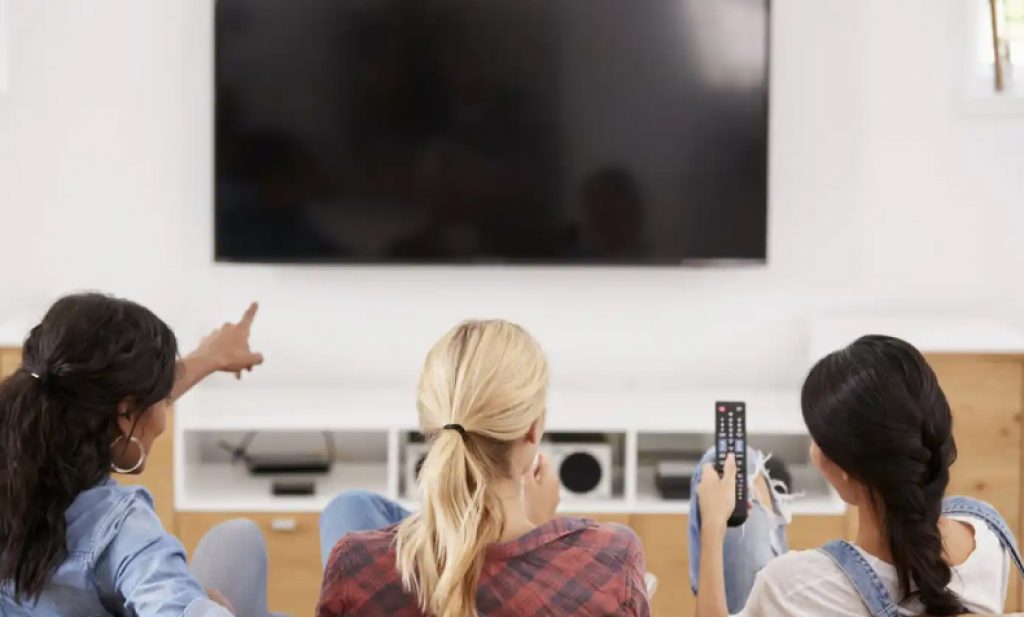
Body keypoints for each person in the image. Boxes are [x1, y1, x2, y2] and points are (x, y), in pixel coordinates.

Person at [317, 320, 650, 617]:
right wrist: (539, 530)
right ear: (534, 428)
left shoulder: (353, 563)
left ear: (429, 424)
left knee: (351, 506)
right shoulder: (610, 557)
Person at [691, 335, 1024, 616]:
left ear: (842, 470)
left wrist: (714, 525)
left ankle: (763, 516)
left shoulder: (791, 587)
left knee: (733, 470)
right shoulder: (988, 537)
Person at [0, 293, 269, 617]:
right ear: (125, 412)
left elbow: (108, 402)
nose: (165, 413)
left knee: (237, 534)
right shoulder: (120, 530)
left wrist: (209, 356)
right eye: (160, 396)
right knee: (241, 539)